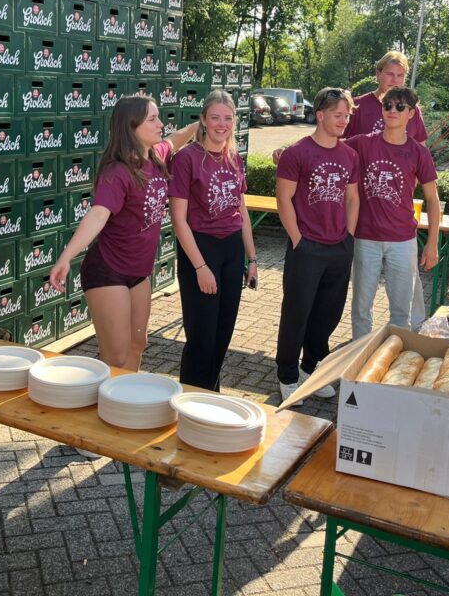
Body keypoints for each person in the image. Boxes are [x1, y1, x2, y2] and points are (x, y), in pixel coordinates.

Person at [49, 96, 198, 372]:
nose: (160, 124)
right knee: (115, 356)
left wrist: (203, 122)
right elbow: (97, 215)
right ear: (131, 127)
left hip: (138, 272)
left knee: (137, 344)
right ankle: (92, 400)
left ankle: (124, 405)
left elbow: (176, 138)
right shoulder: (117, 172)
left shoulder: (156, 155)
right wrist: (66, 257)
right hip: (107, 271)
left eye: (158, 117)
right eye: (152, 119)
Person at [274, 87, 359, 405]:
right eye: (338, 115)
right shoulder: (297, 153)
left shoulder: (349, 155)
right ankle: (287, 375)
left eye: (347, 115)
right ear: (320, 115)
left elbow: (353, 197)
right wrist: (298, 239)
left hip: (339, 247)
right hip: (306, 247)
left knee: (328, 314)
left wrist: (348, 236)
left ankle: (310, 369)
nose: (343, 120)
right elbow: (283, 199)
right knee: (297, 312)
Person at [169, 90, 258, 391]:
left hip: (232, 249)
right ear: (204, 120)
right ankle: (191, 402)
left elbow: (241, 209)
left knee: (223, 331)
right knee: (201, 334)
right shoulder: (186, 159)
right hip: (200, 248)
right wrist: (200, 267)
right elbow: (178, 219)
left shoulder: (234, 157)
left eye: (228, 118)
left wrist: (253, 258)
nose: (222, 124)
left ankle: (211, 395)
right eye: (216, 117)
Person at [348, 85, 440, 337]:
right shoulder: (362, 144)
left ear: (412, 114)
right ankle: (359, 362)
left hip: (403, 240)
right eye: (388, 105)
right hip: (365, 237)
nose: (392, 110)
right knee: (361, 310)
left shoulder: (418, 152)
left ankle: (395, 364)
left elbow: (433, 199)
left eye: (400, 106)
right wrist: (287, 151)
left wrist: (432, 244)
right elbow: (327, 145)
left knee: (402, 312)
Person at [342, 50, 428, 142]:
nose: (395, 80)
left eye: (400, 75)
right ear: (378, 74)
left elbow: (421, 146)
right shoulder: (356, 106)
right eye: (390, 74)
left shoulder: (411, 109)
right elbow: (333, 142)